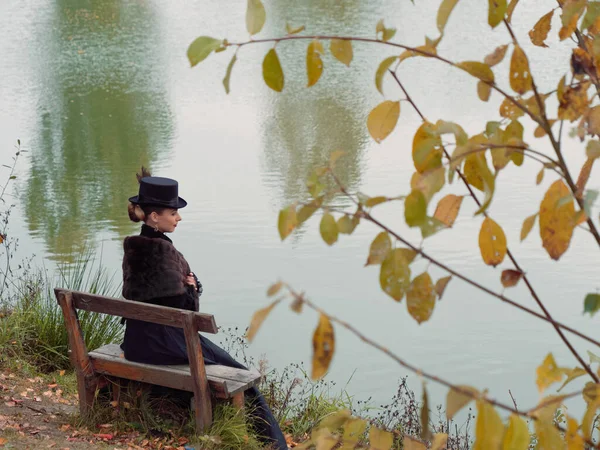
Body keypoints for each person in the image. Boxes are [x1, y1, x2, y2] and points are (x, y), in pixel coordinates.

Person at [120, 171, 288, 450]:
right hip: (164, 343)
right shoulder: (163, 252)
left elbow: (141, 296)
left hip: (135, 343)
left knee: (219, 363)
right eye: (173, 213)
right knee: (243, 376)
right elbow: (184, 311)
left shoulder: (133, 248)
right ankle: (276, 446)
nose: (178, 218)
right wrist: (193, 288)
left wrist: (187, 287)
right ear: (154, 217)